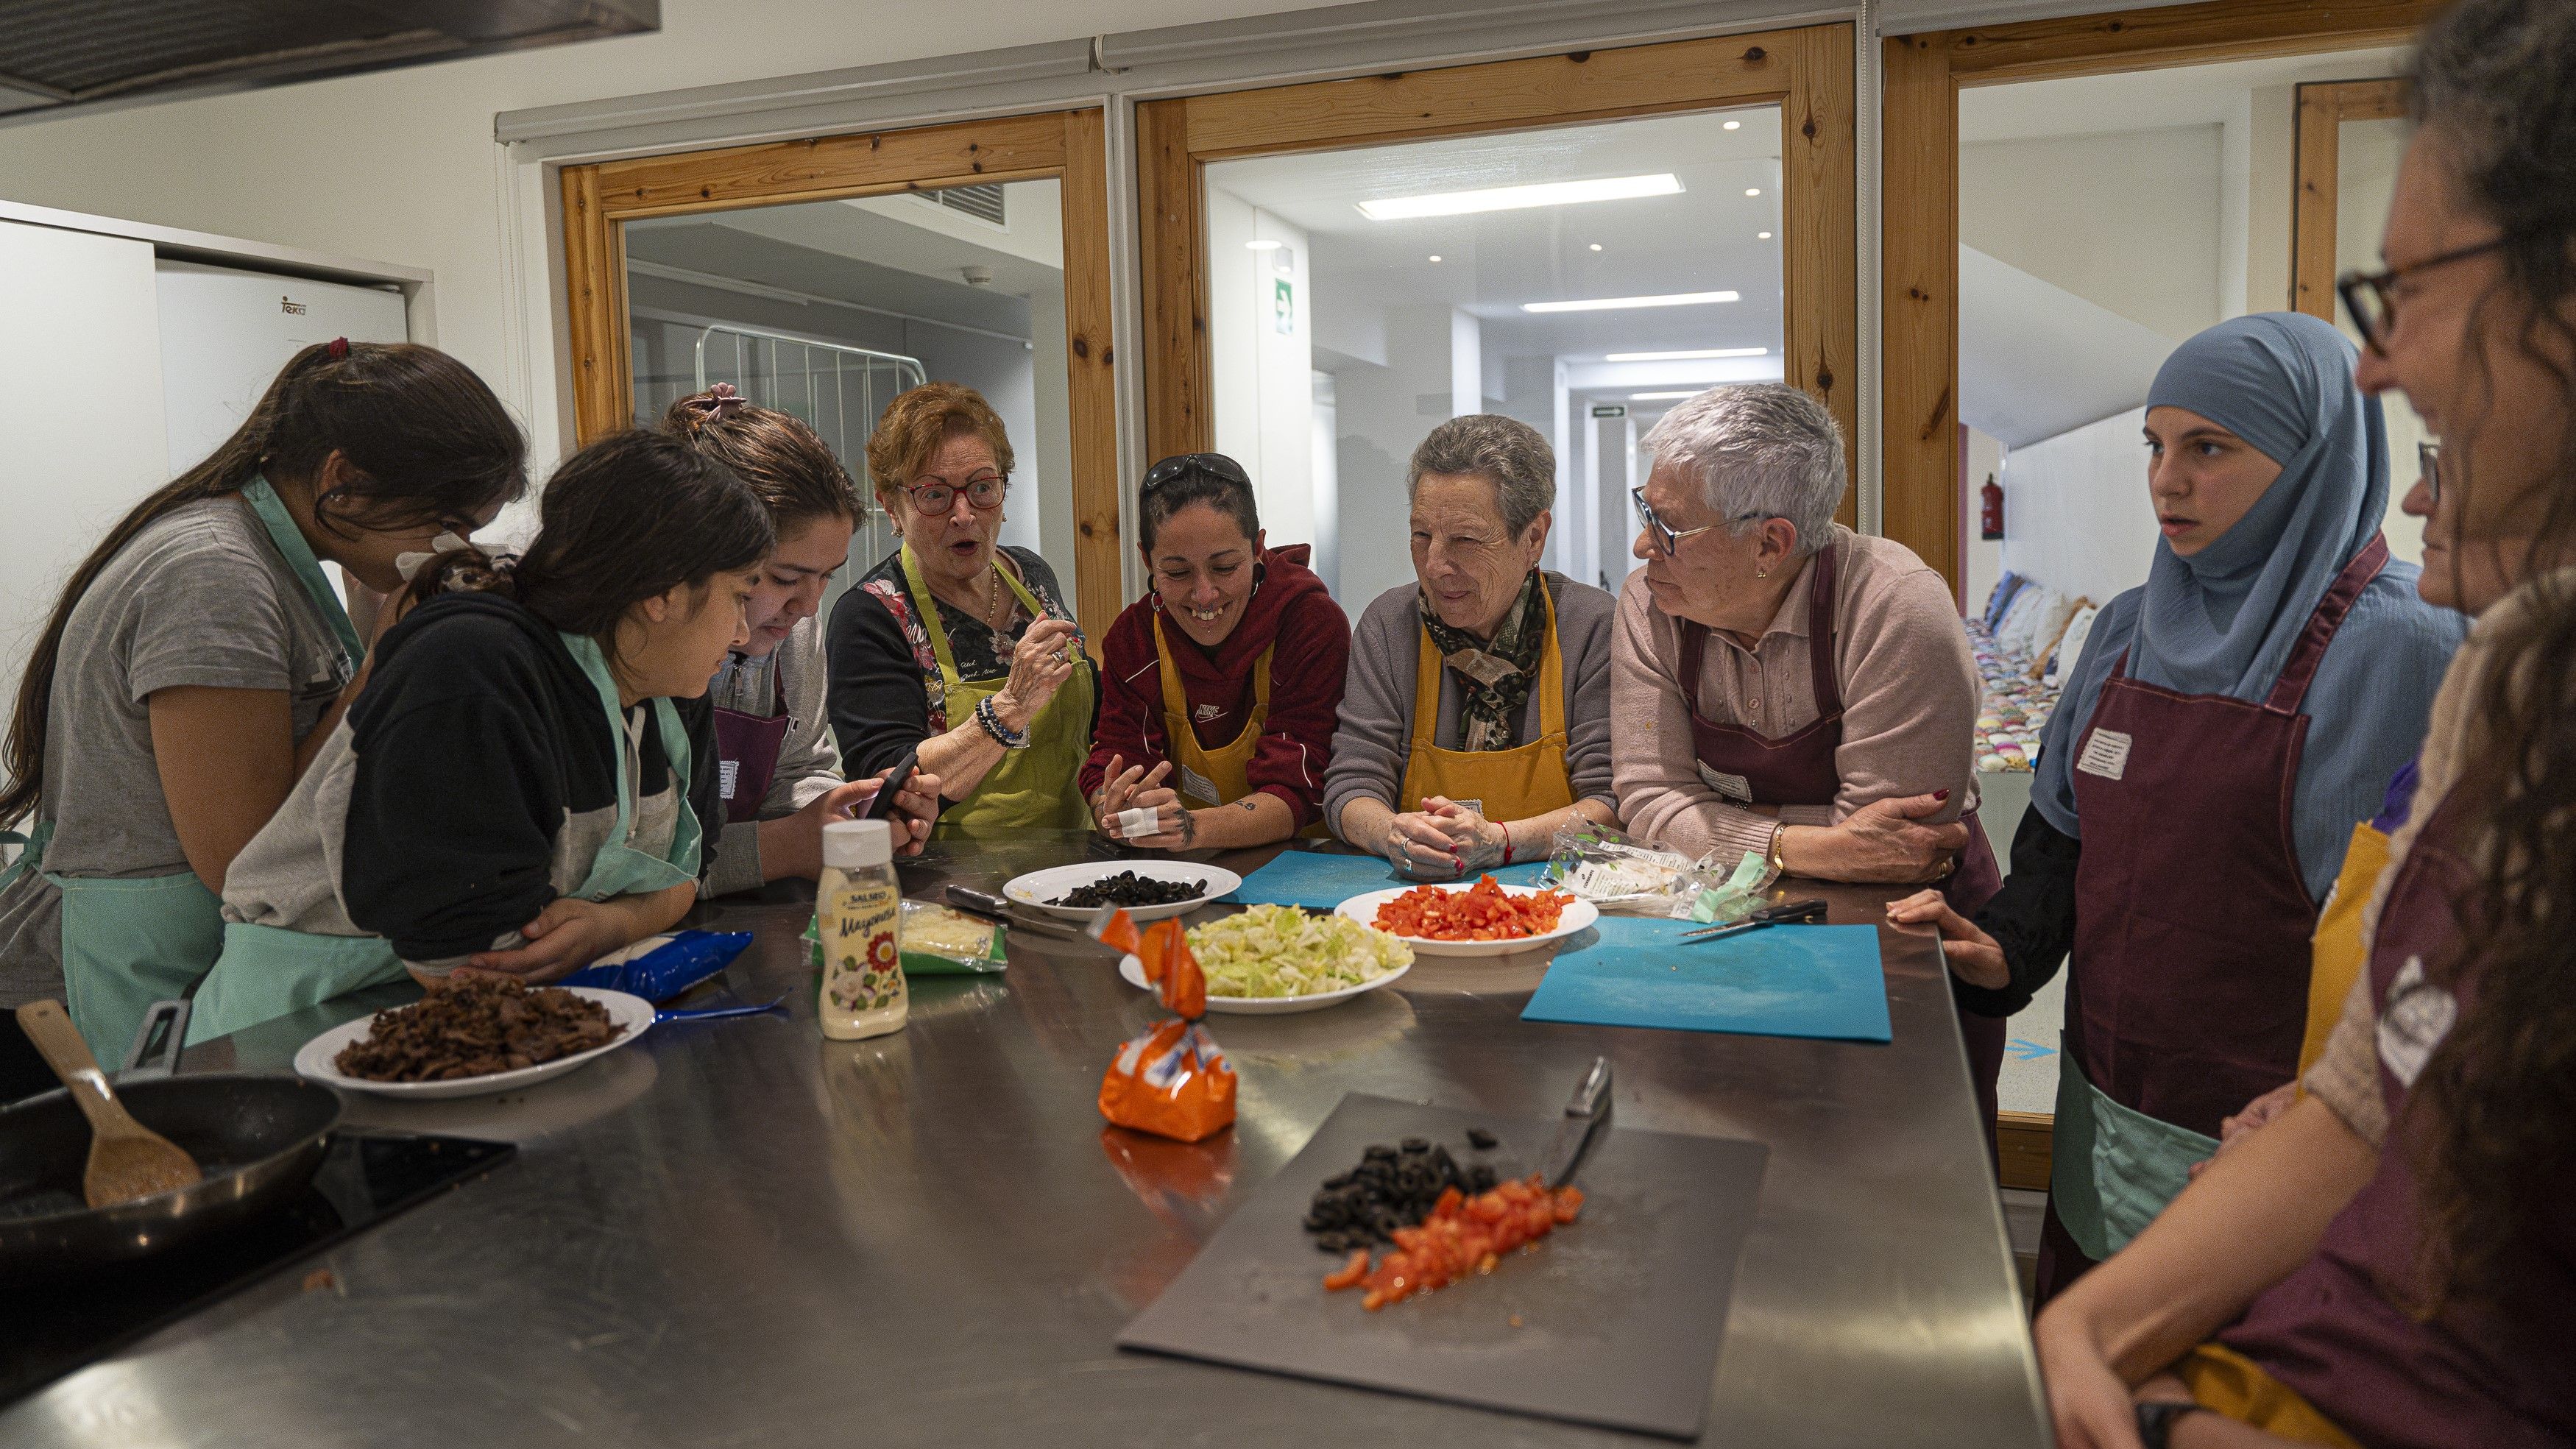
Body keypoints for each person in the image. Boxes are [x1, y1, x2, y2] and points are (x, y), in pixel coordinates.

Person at [2034, 9, 2576, 1442]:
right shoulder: (2520, 671)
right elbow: (2368, 1088)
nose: (2379, 367)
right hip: (2187, 1182)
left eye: (2407, 290)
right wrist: (2096, 1327)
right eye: (2154, 450)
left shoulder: (2400, 643)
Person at [1889, 311, 2467, 1302]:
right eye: (2156, 445)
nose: (2167, 478)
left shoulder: (2412, 649)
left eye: (2210, 448)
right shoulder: (2126, 631)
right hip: (2104, 1117)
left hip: (2285, 1154)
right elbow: (2061, 846)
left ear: (2311, 458)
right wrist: (2007, 952)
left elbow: (2433, 949)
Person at [0, 341, 525, 1055]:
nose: (452, 546)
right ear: (343, 480)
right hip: (129, 973)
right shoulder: (215, 573)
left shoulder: (278, 559)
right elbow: (241, 853)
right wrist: (384, 664)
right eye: (451, 523)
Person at [188, 431, 775, 1040]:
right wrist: (620, 918)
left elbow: (689, 869)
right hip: (307, 1024)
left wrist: (614, 925)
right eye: (738, 596)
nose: (740, 632)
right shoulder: (475, 672)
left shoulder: (668, 690)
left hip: (489, 1020)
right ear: (663, 594)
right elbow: (464, 963)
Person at [1611, 383, 2003, 1129]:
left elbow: (1895, 852)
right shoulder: (1649, 603)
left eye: (1667, 526)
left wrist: (1720, 820)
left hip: (1905, 935)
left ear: (1770, 544)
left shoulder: (1895, 608)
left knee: (1898, 1166)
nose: (1641, 546)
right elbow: (1645, 799)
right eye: (1644, 510)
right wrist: (1808, 842)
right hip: (1725, 926)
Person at [659, 385, 938, 890]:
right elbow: (645, 861)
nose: (809, 607)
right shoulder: (647, 659)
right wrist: (784, 847)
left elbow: (798, 766)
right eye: (786, 578)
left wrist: (849, 814)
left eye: (827, 576)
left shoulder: (794, 630)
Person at [1326, 415, 1618, 876]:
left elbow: (1613, 805)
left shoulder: (1593, 627)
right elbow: (1352, 784)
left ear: (1534, 538)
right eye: (1421, 535)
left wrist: (1502, 843)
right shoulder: (1389, 626)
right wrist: (1391, 832)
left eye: (1464, 540)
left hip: (1558, 894)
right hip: (1415, 892)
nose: (1436, 565)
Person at [827, 383, 1094, 840]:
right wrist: (1009, 709)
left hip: (1070, 854)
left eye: (983, 487)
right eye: (935, 495)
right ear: (892, 506)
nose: (965, 514)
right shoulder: (869, 616)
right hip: (949, 876)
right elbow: (888, 784)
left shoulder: (1032, 574)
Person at [1082, 453, 1349, 850]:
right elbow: (1116, 759)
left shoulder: (1309, 622)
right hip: (1183, 869)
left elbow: (1302, 781)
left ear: (1258, 546)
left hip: (1299, 867)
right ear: (1146, 560)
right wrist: (1118, 812)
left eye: (1225, 567)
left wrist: (1192, 829)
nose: (1204, 595)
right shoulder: (1134, 640)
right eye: (1176, 572)